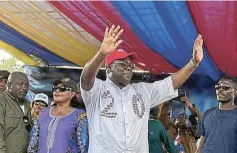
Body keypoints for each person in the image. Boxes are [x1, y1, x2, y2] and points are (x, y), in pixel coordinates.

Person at [80, 25, 204, 153]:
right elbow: (85, 78)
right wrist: (101, 54)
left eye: (130, 65)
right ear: (109, 68)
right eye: (123, 64)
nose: (128, 67)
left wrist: (193, 63)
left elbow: (170, 83)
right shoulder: (97, 90)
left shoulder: (143, 90)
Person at [28, 78, 88, 153]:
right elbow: (33, 140)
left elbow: (84, 144)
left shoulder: (79, 115)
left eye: (62, 89)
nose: (57, 91)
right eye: (55, 88)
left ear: (72, 94)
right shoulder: (44, 112)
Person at [195, 76, 237, 153]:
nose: (220, 90)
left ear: (235, 92)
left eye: (225, 87)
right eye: (218, 86)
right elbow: (201, 142)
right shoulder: (207, 114)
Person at [0, 72, 32, 153]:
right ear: (9, 85)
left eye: (27, 85)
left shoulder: (27, 104)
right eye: (20, 84)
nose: (24, 88)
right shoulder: (0, 100)